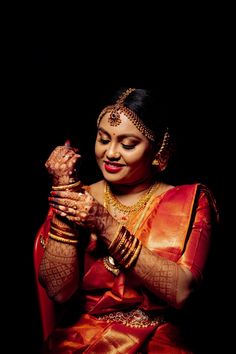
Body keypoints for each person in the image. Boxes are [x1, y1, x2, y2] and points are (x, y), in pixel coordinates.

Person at [37, 87, 218, 353]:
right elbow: (59, 292)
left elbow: (182, 292)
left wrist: (105, 224)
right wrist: (64, 190)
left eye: (128, 144)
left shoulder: (190, 200)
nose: (110, 152)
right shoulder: (77, 199)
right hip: (81, 342)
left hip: (160, 342)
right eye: (103, 139)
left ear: (157, 150)